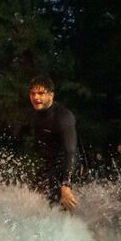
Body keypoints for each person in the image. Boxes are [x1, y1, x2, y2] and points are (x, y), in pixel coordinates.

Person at [26, 76, 79, 212]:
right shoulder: (35, 114)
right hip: (49, 167)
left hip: (67, 167)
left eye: (41, 93)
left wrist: (66, 184)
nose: (36, 97)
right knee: (33, 201)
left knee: (61, 208)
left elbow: (70, 152)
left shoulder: (63, 117)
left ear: (51, 95)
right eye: (33, 93)